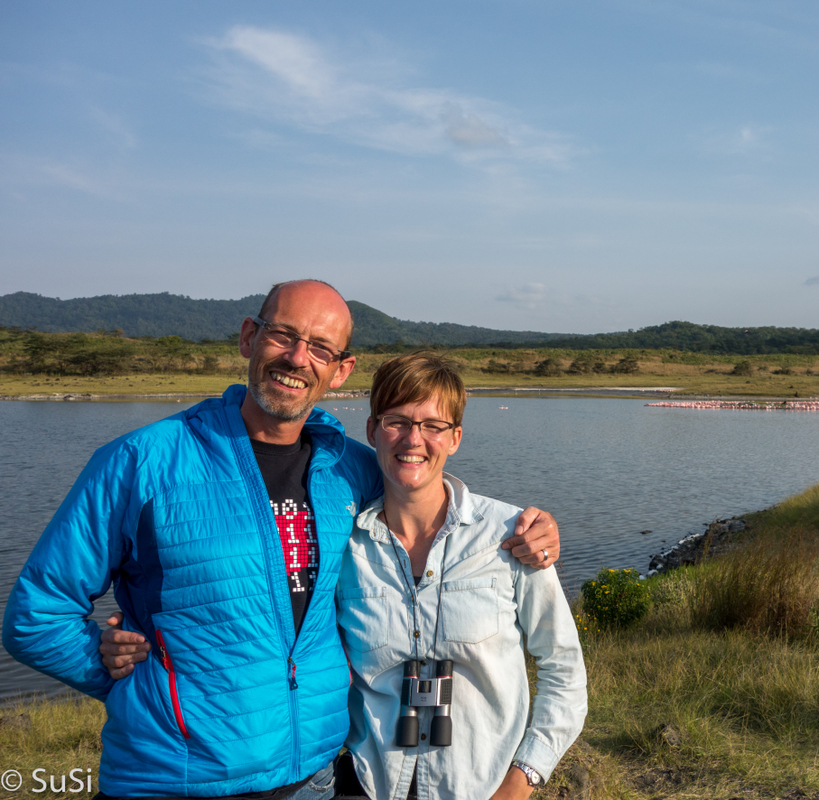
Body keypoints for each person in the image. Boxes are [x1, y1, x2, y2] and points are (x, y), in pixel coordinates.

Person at [2, 280, 561, 799]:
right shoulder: (142, 463)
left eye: (320, 347)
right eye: (284, 335)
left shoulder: (349, 468)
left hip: (314, 776)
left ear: (340, 370)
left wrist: (528, 528)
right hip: (176, 777)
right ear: (249, 337)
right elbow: (36, 614)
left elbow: (424, 483)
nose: (297, 358)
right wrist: (136, 683)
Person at [338, 352, 585, 800]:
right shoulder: (346, 546)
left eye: (433, 425)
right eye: (397, 421)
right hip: (372, 784)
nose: (414, 439)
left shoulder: (510, 536)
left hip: (483, 786)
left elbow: (563, 668)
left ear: (455, 438)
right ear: (372, 430)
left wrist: (521, 779)